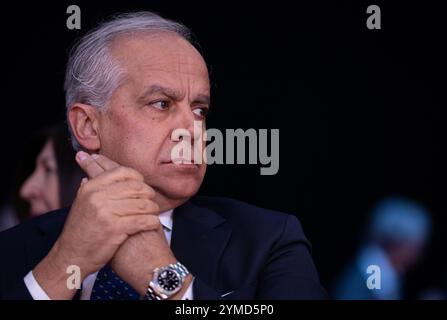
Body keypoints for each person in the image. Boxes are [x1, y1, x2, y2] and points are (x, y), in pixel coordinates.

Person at [0, 12, 326, 300]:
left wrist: (163, 275)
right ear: (88, 125)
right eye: (162, 104)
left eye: (200, 110)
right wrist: (64, 263)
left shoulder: (268, 241)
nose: (193, 129)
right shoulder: (12, 250)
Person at [332, 196, 432, 300]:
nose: (420, 253)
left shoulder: (382, 271)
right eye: (416, 246)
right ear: (399, 243)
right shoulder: (366, 275)